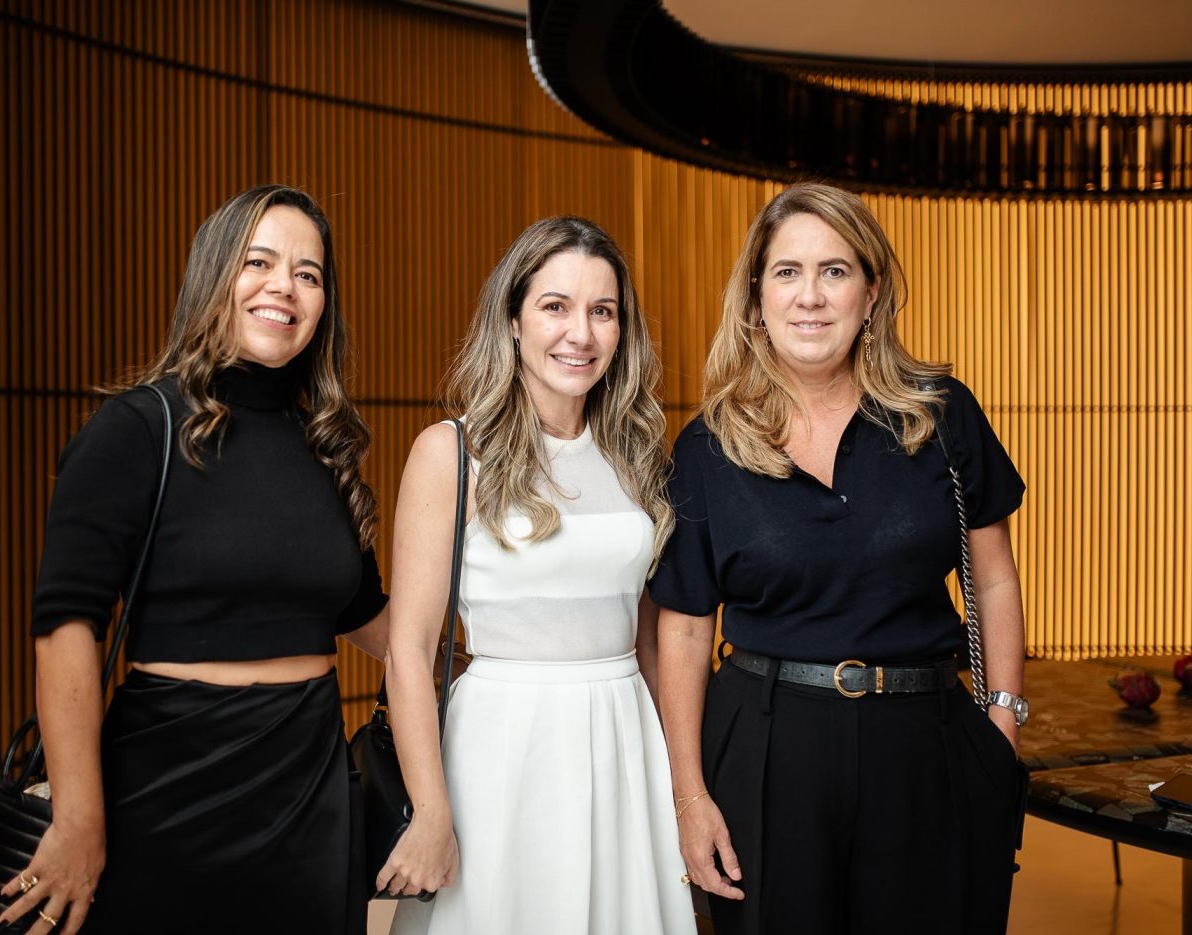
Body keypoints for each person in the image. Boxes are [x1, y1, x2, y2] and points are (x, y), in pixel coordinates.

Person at [0, 185, 389, 934]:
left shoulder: (325, 444)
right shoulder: (137, 426)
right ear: (215, 276)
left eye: (309, 273)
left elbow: (365, 614)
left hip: (308, 785)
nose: (285, 285)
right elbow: (67, 626)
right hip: (168, 782)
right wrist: (80, 817)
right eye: (260, 261)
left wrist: (502, 648)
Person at [651, 183, 1028, 935]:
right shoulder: (708, 445)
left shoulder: (941, 413)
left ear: (872, 289)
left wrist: (1003, 724)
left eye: (835, 270)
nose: (810, 296)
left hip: (928, 742)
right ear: (756, 296)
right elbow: (687, 631)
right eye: (786, 272)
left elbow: (992, 578)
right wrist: (689, 795)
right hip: (765, 747)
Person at [380, 217, 697, 934]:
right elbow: (408, 648)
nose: (579, 332)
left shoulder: (640, 454)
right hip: (500, 747)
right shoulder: (450, 453)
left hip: (624, 737)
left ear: (623, 331)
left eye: (602, 310)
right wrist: (431, 811)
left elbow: (651, 643)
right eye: (555, 305)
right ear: (514, 320)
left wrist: (684, 789)